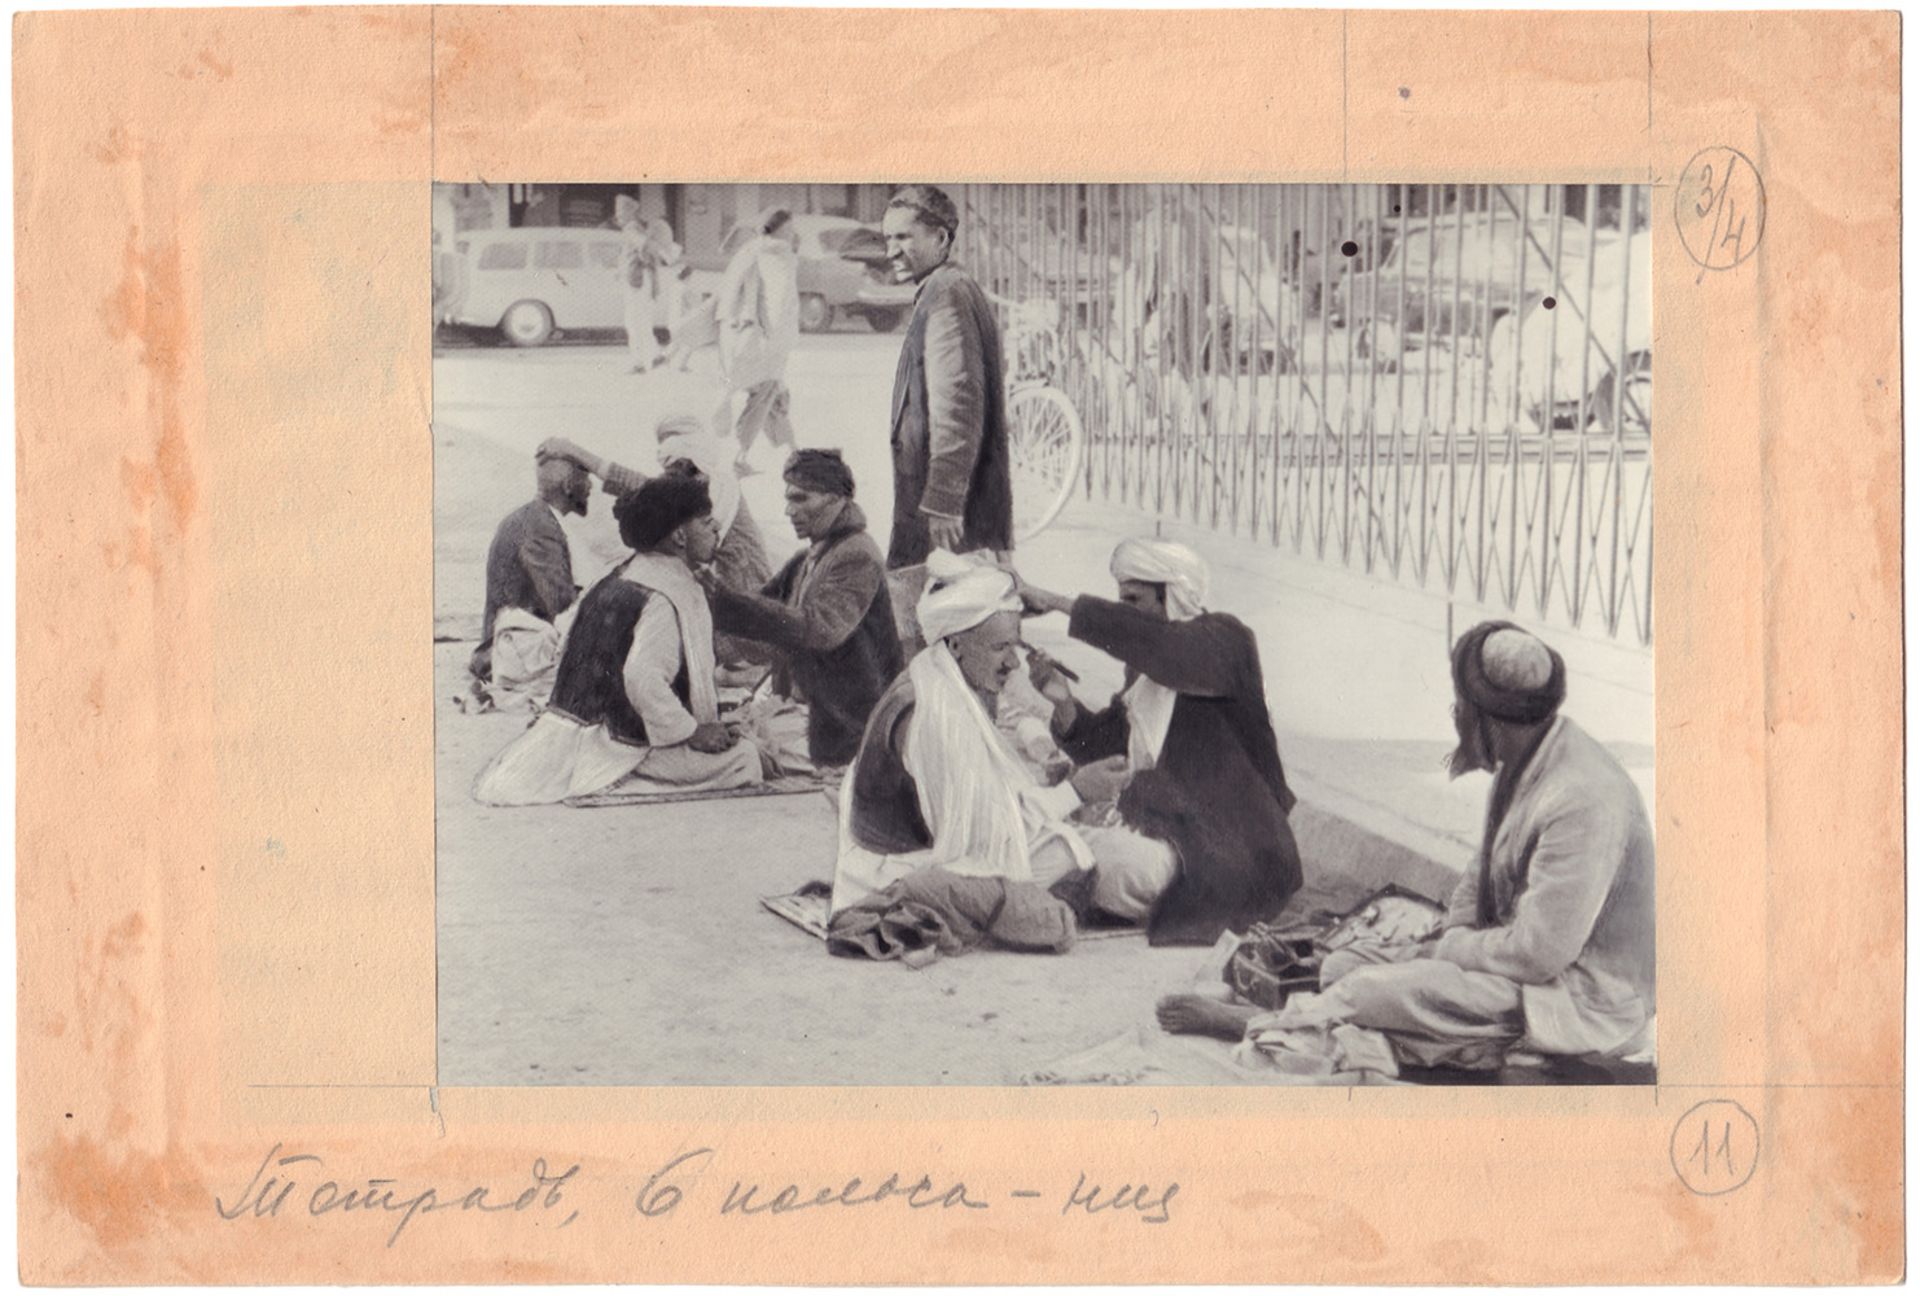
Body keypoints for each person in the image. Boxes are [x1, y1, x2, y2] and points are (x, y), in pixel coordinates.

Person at [1156, 621, 1657, 1074]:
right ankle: (1320, 1027)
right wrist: (1446, 940)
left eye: (1461, 706)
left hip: (1576, 1001)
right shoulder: (1528, 764)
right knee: (1343, 965)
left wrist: (1446, 950)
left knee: (1373, 990)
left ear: (1488, 717)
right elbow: (1477, 879)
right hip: (1514, 968)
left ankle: (1260, 1023)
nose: (1455, 717)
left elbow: (1538, 955)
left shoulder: (1582, 798)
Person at [830, 552, 1178, 935]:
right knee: (1133, 870)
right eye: (1001, 648)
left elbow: (986, 808)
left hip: (942, 853)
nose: (1014, 664)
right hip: (912, 870)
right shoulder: (932, 712)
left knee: (1126, 860)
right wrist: (1076, 792)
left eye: (1015, 647)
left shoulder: (939, 681)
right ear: (957, 645)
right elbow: (979, 840)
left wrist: (1062, 717)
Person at [1018, 539, 1303, 945]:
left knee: (1094, 862)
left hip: (1238, 854)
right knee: (1060, 845)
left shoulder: (1225, 640)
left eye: (1134, 600)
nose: (1127, 615)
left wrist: (1058, 603)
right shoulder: (1147, 668)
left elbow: (1167, 649)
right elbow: (1112, 747)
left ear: (1172, 595)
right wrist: (1062, 701)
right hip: (1176, 838)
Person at [471, 476, 763, 806]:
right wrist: (693, 732)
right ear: (680, 536)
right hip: (618, 748)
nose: (715, 532)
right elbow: (642, 678)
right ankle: (625, 779)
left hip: (570, 735)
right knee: (745, 758)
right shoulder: (664, 595)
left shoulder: (621, 574)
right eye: (707, 523)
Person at [703, 449, 903, 772]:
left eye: (801, 499)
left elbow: (819, 629)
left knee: (742, 759)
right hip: (812, 716)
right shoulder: (806, 559)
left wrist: (723, 601)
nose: (789, 511)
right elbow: (758, 627)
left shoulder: (858, 556)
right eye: (789, 499)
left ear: (837, 499)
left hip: (849, 726)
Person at [538, 419, 773, 672]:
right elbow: (653, 495)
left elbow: (649, 491)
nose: (670, 478)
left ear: (692, 464)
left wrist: (574, 451)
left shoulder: (719, 486)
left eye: (674, 470)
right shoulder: (698, 485)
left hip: (749, 628)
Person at [880, 185, 1012, 569]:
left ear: (940, 238)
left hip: (943, 516)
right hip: (946, 508)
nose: (891, 251)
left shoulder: (947, 295)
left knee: (938, 611)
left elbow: (957, 400)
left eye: (903, 237)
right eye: (888, 238)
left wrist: (943, 500)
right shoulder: (944, 288)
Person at [468, 447, 591, 695]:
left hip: (513, 645)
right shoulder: (539, 526)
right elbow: (561, 603)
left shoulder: (533, 517)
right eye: (586, 478)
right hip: (512, 653)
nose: (590, 488)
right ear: (568, 484)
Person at [713, 208, 802, 476]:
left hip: (736, 334)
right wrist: (777, 341)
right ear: (783, 230)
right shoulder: (780, 254)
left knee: (769, 396)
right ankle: (740, 456)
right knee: (766, 395)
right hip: (763, 341)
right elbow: (781, 298)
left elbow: (726, 294)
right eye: (791, 228)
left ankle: (792, 452)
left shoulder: (748, 251)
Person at [619, 198, 680, 374]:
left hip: (637, 280)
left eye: (622, 212)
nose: (618, 216)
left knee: (634, 322)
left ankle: (639, 362)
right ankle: (654, 356)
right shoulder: (637, 228)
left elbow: (646, 244)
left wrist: (666, 255)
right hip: (640, 279)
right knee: (641, 321)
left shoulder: (631, 229)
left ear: (632, 212)